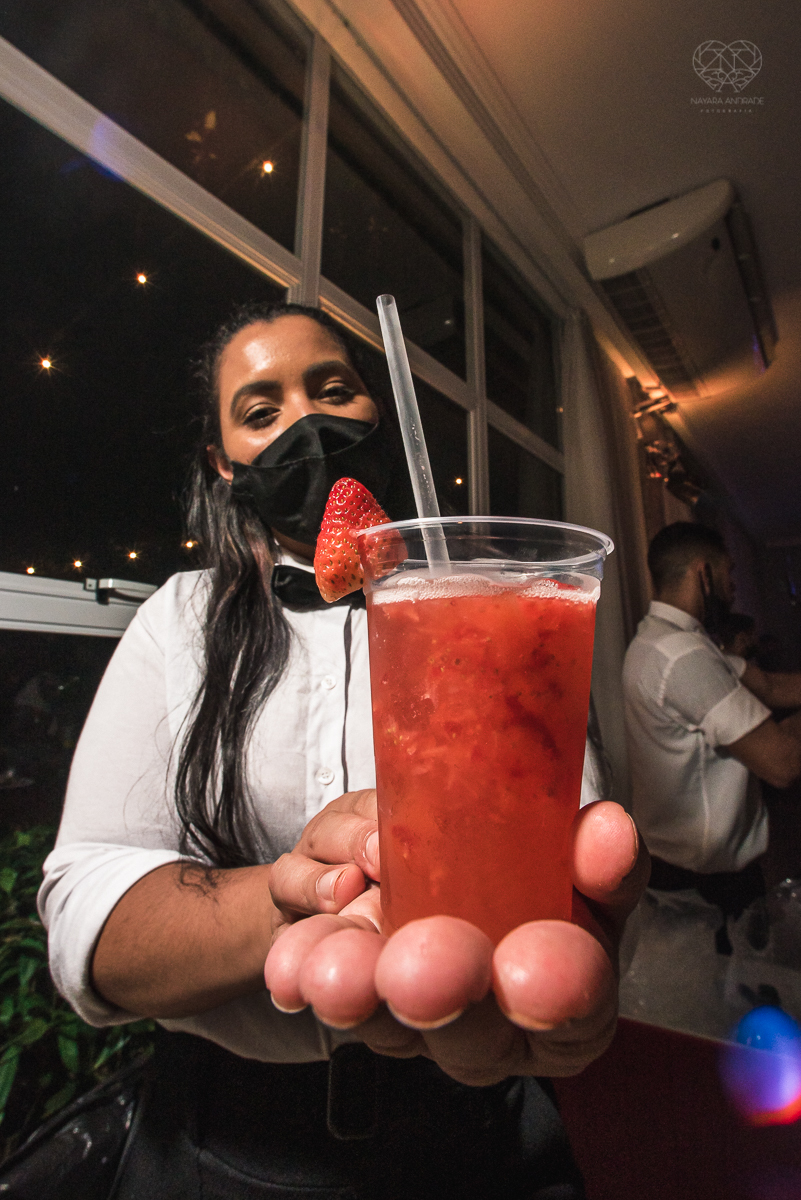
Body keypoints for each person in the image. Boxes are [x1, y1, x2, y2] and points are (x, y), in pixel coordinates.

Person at [30, 303, 647, 1199]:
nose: (305, 426)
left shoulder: (492, 605)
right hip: (222, 1140)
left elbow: (553, 848)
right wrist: (303, 893)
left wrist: (565, 975)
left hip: (482, 1133)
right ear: (222, 463)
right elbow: (88, 912)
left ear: (379, 416)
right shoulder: (179, 620)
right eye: (260, 411)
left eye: (332, 390)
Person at [623, 522, 801, 947]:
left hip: (681, 868)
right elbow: (784, 763)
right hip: (706, 884)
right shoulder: (683, 657)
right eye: (729, 573)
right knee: (736, 1005)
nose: (735, 586)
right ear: (703, 574)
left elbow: (773, 686)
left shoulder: (669, 641)